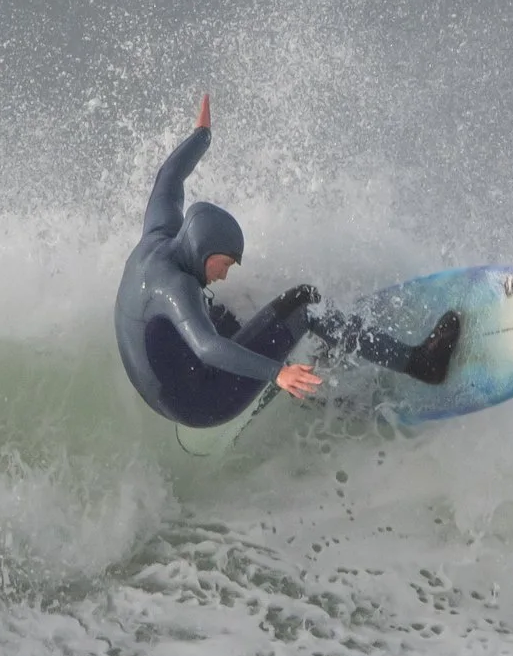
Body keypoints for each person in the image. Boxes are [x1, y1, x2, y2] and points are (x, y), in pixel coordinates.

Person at [113, 94, 460, 429]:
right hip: (201, 403)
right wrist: (277, 373)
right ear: (206, 253)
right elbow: (207, 347)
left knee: (228, 314)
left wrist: (202, 136)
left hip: (161, 390)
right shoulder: (179, 288)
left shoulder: (158, 235)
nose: (225, 274)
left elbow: (169, 178)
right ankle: (420, 364)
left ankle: (301, 380)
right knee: (303, 304)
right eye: (225, 264)